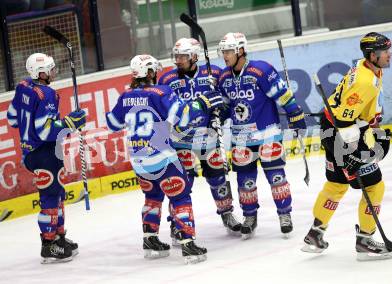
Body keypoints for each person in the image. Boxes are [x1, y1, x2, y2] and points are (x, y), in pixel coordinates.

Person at [105, 54, 223, 264]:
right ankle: (188, 244)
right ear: (149, 72)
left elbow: (113, 124)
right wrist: (202, 102)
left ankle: (150, 240)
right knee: (181, 197)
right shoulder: (161, 92)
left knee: (153, 197)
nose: (157, 73)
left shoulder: (125, 96)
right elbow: (184, 118)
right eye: (154, 70)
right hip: (161, 157)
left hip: (139, 161)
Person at [301, 32, 392, 261]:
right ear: (372, 55)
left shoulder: (367, 68)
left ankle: (315, 233)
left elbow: (349, 114)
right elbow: (342, 120)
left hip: (335, 130)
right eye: (385, 51)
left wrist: (375, 130)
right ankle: (365, 240)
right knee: (374, 187)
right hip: (341, 135)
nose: (389, 55)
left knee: (336, 185)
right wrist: (348, 154)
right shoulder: (364, 80)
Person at [217, 32, 307, 239]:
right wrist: (217, 115)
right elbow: (224, 106)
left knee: (276, 178)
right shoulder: (224, 77)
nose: (225, 55)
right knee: (245, 182)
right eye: (223, 51)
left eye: (229, 51)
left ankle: (285, 215)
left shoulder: (261, 70)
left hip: (268, 134)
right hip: (241, 138)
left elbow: (282, 94)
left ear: (240, 50)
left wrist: (294, 113)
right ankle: (250, 216)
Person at [158, 37, 241, 238]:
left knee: (218, 177)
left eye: (183, 57)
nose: (178, 60)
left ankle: (227, 213)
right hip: (180, 140)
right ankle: (177, 224)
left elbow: (228, 100)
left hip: (208, 137)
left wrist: (219, 114)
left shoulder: (213, 74)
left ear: (194, 57)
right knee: (181, 182)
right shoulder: (167, 80)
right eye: (176, 56)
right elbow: (162, 109)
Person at [7, 53, 84, 263]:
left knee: (57, 193)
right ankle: (49, 244)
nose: (53, 72)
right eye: (49, 69)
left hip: (30, 153)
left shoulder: (23, 86)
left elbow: (13, 118)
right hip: (45, 153)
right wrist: (70, 123)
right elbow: (45, 131)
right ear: (39, 73)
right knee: (51, 197)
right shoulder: (47, 94)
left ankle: (59, 238)